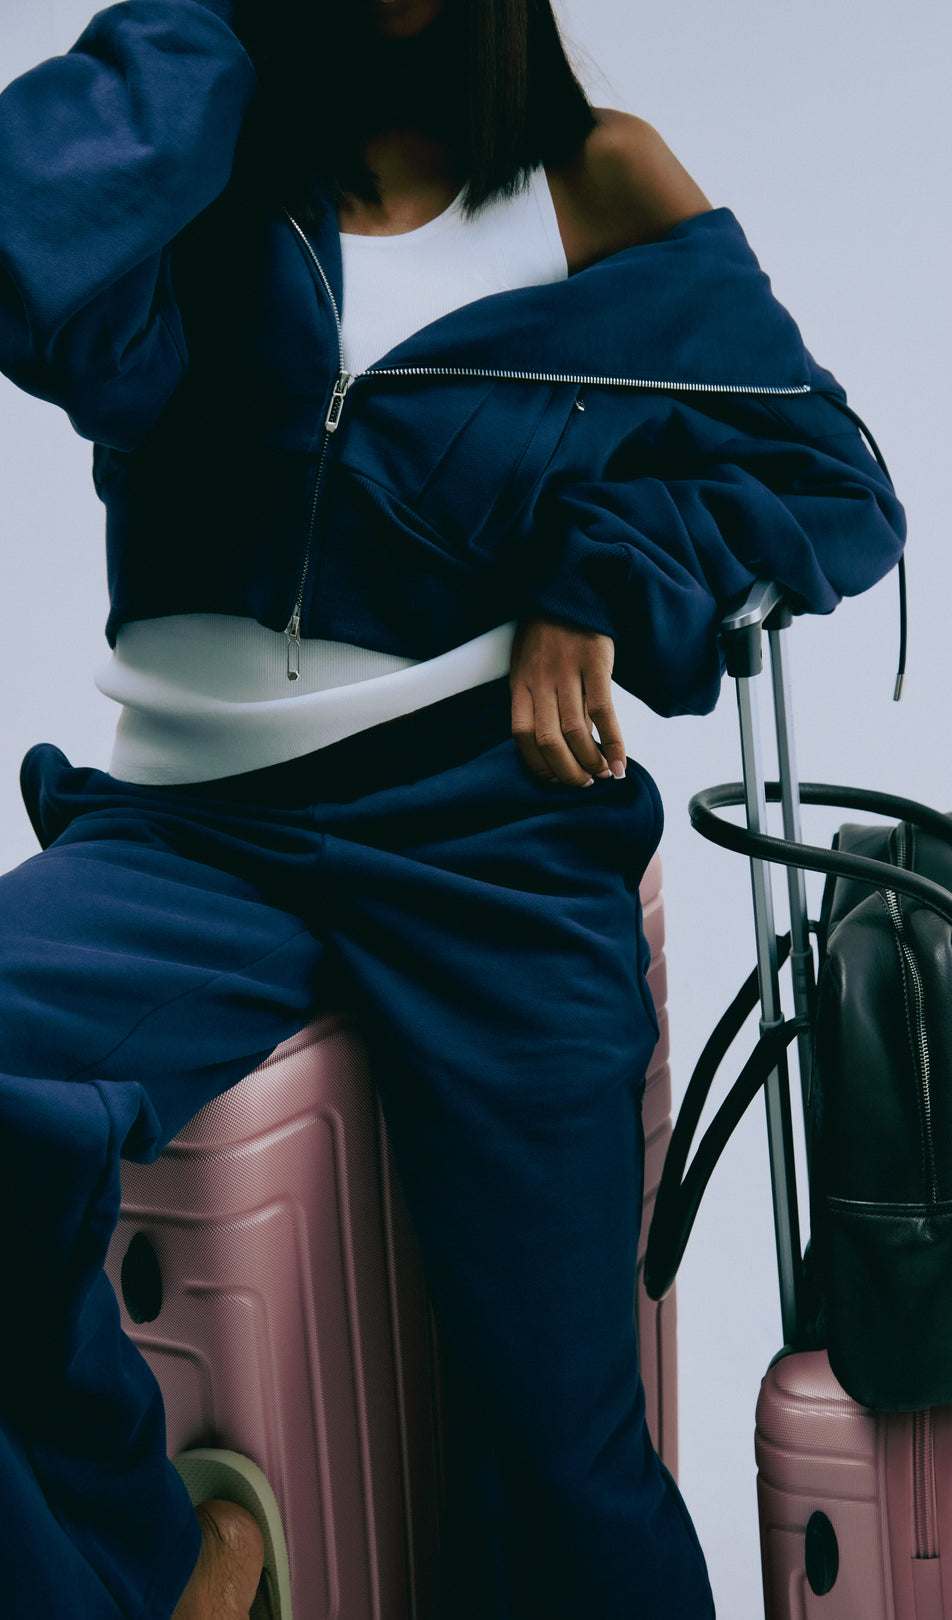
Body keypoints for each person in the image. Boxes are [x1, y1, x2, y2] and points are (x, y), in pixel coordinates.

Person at [0, 1, 905, 1616]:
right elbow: (26, 246)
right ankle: (156, 1572)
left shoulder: (595, 179)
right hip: (187, 835)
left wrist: (603, 575)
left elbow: (834, 483)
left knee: (559, 1447)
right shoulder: (202, 153)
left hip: (486, 837)